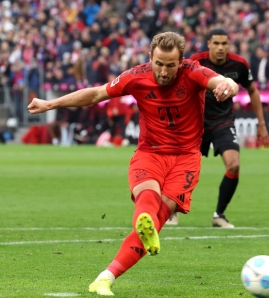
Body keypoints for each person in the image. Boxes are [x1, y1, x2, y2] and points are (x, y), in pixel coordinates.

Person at [27, 32, 239, 296]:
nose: (163, 71)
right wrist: (51, 104)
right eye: (158, 63)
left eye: (171, 65)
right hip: (150, 153)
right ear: (150, 57)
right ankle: (133, 238)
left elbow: (223, 81)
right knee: (147, 201)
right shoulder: (135, 76)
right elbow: (95, 94)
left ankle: (104, 278)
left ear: (182, 61)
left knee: (157, 218)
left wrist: (228, 85)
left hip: (186, 159)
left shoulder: (193, 71)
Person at [167, 28, 269, 228]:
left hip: (223, 122)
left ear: (229, 45)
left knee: (234, 165)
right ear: (209, 44)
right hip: (195, 122)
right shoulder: (196, 61)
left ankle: (219, 215)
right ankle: (172, 212)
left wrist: (262, 124)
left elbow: (253, 91)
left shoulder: (239, 64)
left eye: (224, 43)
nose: (220, 47)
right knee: (179, 166)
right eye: (216, 43)